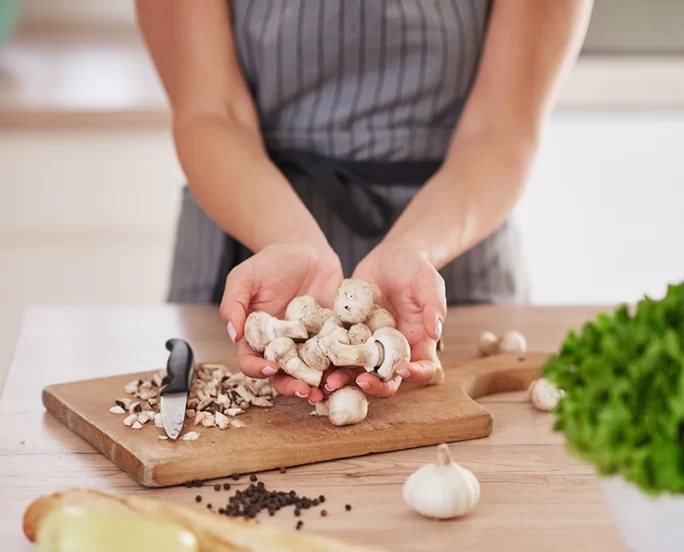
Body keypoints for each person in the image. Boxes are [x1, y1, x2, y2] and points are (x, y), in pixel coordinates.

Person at [137, 0, 592, 404]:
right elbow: (212, 113)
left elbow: (500, 130)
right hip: (251, 236)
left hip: (451, 249)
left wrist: (414, 250)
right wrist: (289, 241)